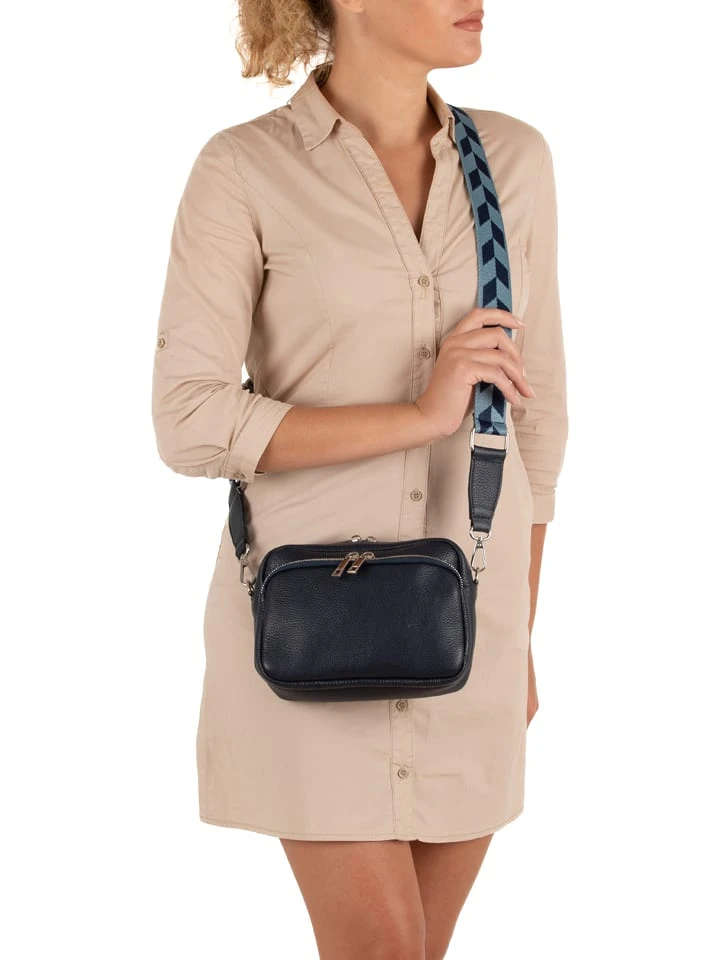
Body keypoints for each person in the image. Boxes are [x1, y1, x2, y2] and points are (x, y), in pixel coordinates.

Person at [151, 0, 568, 956]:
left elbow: (537, 420)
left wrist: (518, 636)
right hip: (308, 634)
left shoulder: (515, 162)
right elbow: (188, 418)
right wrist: (420, 415)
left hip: (471, 638)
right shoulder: (245, 170)